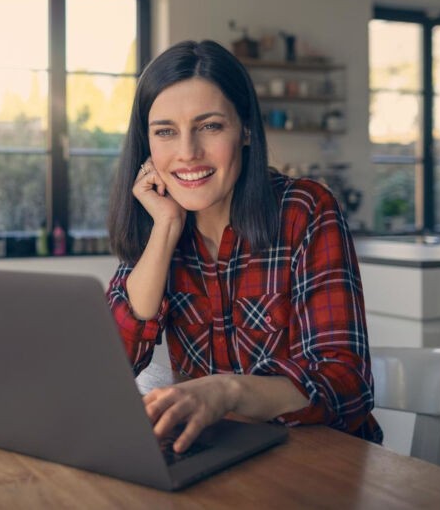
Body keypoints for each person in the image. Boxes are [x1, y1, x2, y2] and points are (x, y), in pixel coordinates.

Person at [106, 40, 382, 454]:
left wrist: (226, 392)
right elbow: (110, 367)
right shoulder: (159, 218)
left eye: (210, 126)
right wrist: (165, 229)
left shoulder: (305, 211)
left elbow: (346, 383)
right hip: (219, 455)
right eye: (166, 132)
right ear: (147, 147)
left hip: (320, 463)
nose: (187, 153)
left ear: (246, 130)